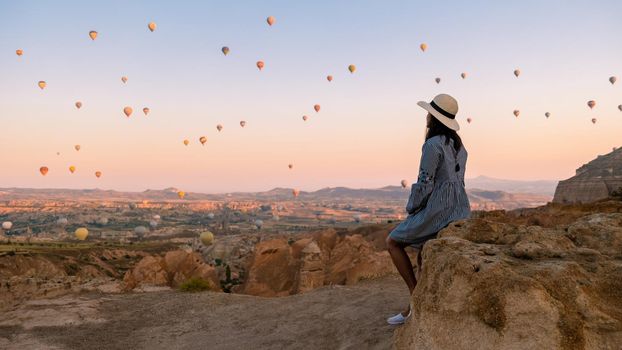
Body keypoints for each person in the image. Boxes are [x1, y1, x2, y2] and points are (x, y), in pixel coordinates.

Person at [386, 93, 471, 325]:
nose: (426, 117)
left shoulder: (432, 145)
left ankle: (415, 297)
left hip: (439, 209)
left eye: (429, 114)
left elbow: (425, 182)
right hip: (460, 208)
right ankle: (415, 308)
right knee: (424, 251)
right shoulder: (461, 148)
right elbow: (458, 183)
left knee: (393, 242)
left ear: (434, 119)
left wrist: (413, 206)